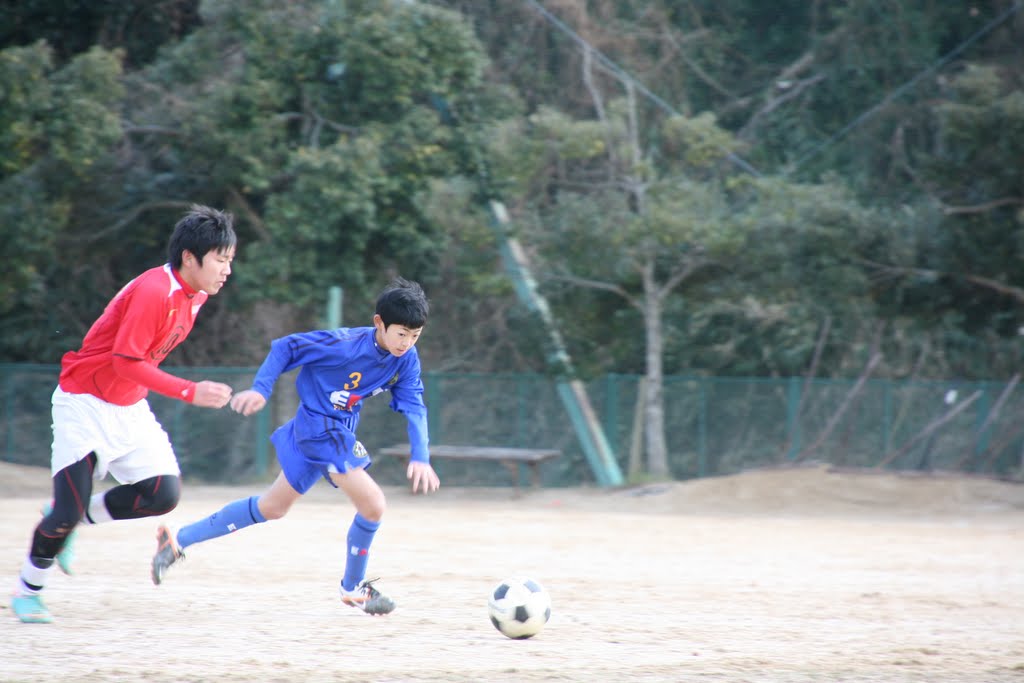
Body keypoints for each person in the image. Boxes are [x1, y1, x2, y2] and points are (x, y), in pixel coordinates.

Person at [151, 277, 440, 615]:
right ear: (379, 322)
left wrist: (421, 455)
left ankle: (177, 540)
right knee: (374, 505)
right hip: (321, 429)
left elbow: (414, 404)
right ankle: (353, 588)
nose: (406, 343)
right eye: (401, 334)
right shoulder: (344, 344)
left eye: (415, 335)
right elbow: (285, 348)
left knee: (272, 507)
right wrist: (261, 389)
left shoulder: (406, 359)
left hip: (325, 431)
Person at [10, 205, 237, 624]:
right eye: (220, 259)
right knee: (64, 513)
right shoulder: (155, 290)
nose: (226, 270)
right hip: (84, 402)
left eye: (229, 261)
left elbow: (136, 368)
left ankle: (72, 520)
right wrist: (190, 391)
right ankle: (28, 591)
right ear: (190, 257)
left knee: (163, 494)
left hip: (128, 406)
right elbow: (125, 362)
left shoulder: (197, 296)